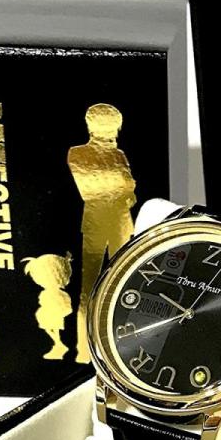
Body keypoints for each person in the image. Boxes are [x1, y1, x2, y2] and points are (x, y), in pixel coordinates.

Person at [67, 103, 136, 363]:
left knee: (126, 284)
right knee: (90, 289)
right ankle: (84, 351)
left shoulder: (119, 154)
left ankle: (120, 349)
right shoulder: (78, 153)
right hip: (97, 223)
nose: (113, 131)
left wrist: (122, 188)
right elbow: (92, 189)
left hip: (121, 222)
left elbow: (129, 192)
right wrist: (121, 186)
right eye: (108, 126)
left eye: (114, 126)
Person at [21, 252, 74, 360]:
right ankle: (58, 344)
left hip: (53, 315)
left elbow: (65, 305)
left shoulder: (55, 293)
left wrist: (58, 310)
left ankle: (59, 344)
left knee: (53, 328)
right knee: (51, 328)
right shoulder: (48, 293)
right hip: (49, 314)